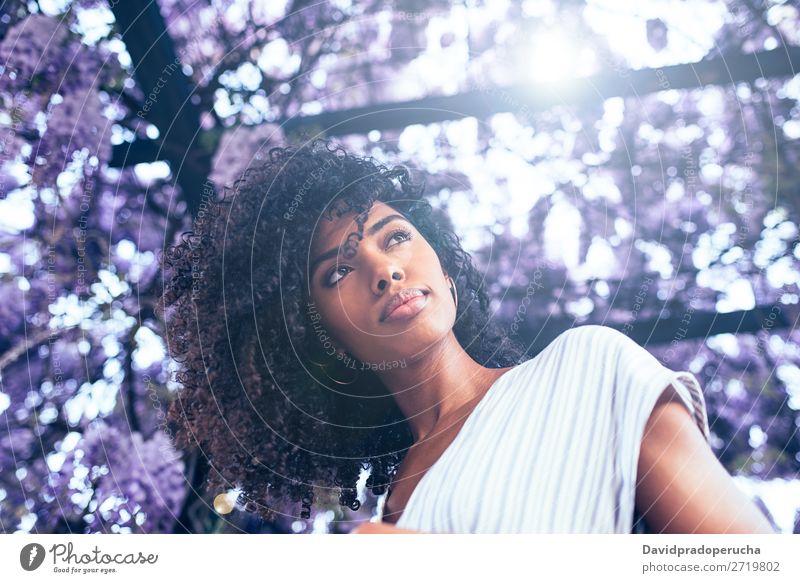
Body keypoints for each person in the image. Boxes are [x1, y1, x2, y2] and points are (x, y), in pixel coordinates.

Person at [159, 137, 776, 534]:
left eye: (394, 236)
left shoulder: (587, 369)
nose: (384, 270)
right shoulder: (389, 520)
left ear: (447, 270)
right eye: (339, 270)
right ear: (315, 336)